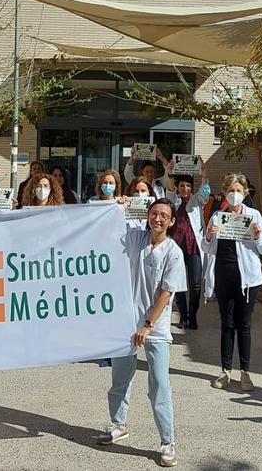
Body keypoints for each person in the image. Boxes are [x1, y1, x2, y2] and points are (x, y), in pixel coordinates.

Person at [97, 198, 186, 468]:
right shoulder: (135, 238)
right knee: (120, 379)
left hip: (154, 328)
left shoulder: (173, 252)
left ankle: (167, 441)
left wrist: (148, 324)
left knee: (159, 384)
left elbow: (166, 292)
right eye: (154, 214)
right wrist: (116, 206)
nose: (157, 219)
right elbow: (107, 227)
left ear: (171, 221)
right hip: (126, 324)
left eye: (164, 216)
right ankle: (118, 424)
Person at [202, 173, 262, 392]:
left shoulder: (254, 216)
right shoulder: (217, 217)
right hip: (224, 276)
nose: (234, 195)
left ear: (245, 193)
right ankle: (225, 370)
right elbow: (207, 249)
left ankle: (245, 372)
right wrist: (209, 237)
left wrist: (258, 235)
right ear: (224, 192)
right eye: (230, 191)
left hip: (248, 280)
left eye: (238, 191)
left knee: (244, 325)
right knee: (227, 324)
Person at [163, 167, 205, 330]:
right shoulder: (173, 200)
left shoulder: (197, 200)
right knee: (178, 282)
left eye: (188, 186)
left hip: (193, 247)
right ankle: (183, 314)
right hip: (177, 246)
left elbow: (205, 192)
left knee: (195, 283)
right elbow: (169, 188)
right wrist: (170, 172)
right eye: (182, 186)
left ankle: (192, 315)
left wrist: (204, 174)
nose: (185, 189)